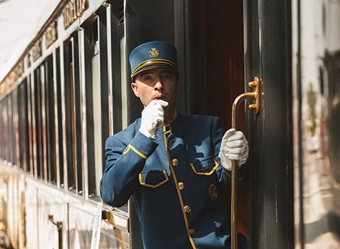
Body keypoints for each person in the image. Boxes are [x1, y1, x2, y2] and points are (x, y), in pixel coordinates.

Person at [99, 40, 249, 248]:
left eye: (166, 76)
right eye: (148, 78)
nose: (158, 84)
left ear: (177, 83)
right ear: (135, 89)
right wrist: (144, 136)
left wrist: (233, 164)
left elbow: (230, 183)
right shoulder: (122, 141)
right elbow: (111, 194)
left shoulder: (207, 127)